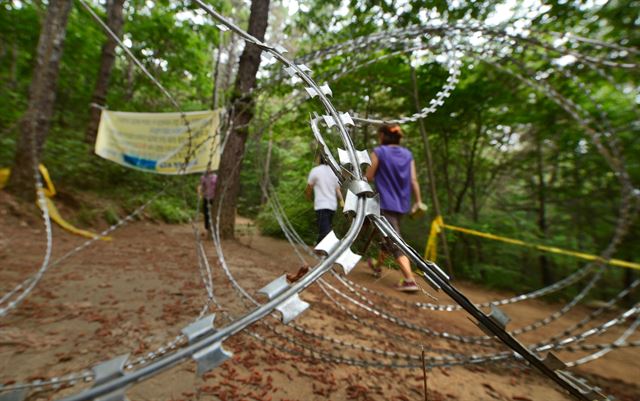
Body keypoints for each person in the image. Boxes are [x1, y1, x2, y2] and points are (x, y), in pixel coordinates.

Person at [365, 124, 423, 292]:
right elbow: (413, 180)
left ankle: (409, 279)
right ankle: (377, 265)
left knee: (393, 239)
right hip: (402, 204)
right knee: (387, 235)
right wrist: (418, 201)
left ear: (382, 136)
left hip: (385, 202)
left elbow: (368, 176)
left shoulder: (379, 152)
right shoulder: (408, 154)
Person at [306, 156, 344, 244]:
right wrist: (342, 202)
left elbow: (309, 187)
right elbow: (338, 189)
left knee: (325, 228)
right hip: (332, 206)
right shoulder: (335, 172)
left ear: (319, 159)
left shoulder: (315, 171)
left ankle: (327, 249)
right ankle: (320, 247)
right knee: (324, 227)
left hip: (321, 205)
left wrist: (308, 198)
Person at [197, 171, 218, 238]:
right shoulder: (203, 177)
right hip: (206, 197)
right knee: (206, 213)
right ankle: (207, 229)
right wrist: (200, 193)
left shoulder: (215, 177)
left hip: (214, 198)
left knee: (214, 213)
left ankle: (214, 228)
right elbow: (201, 186)